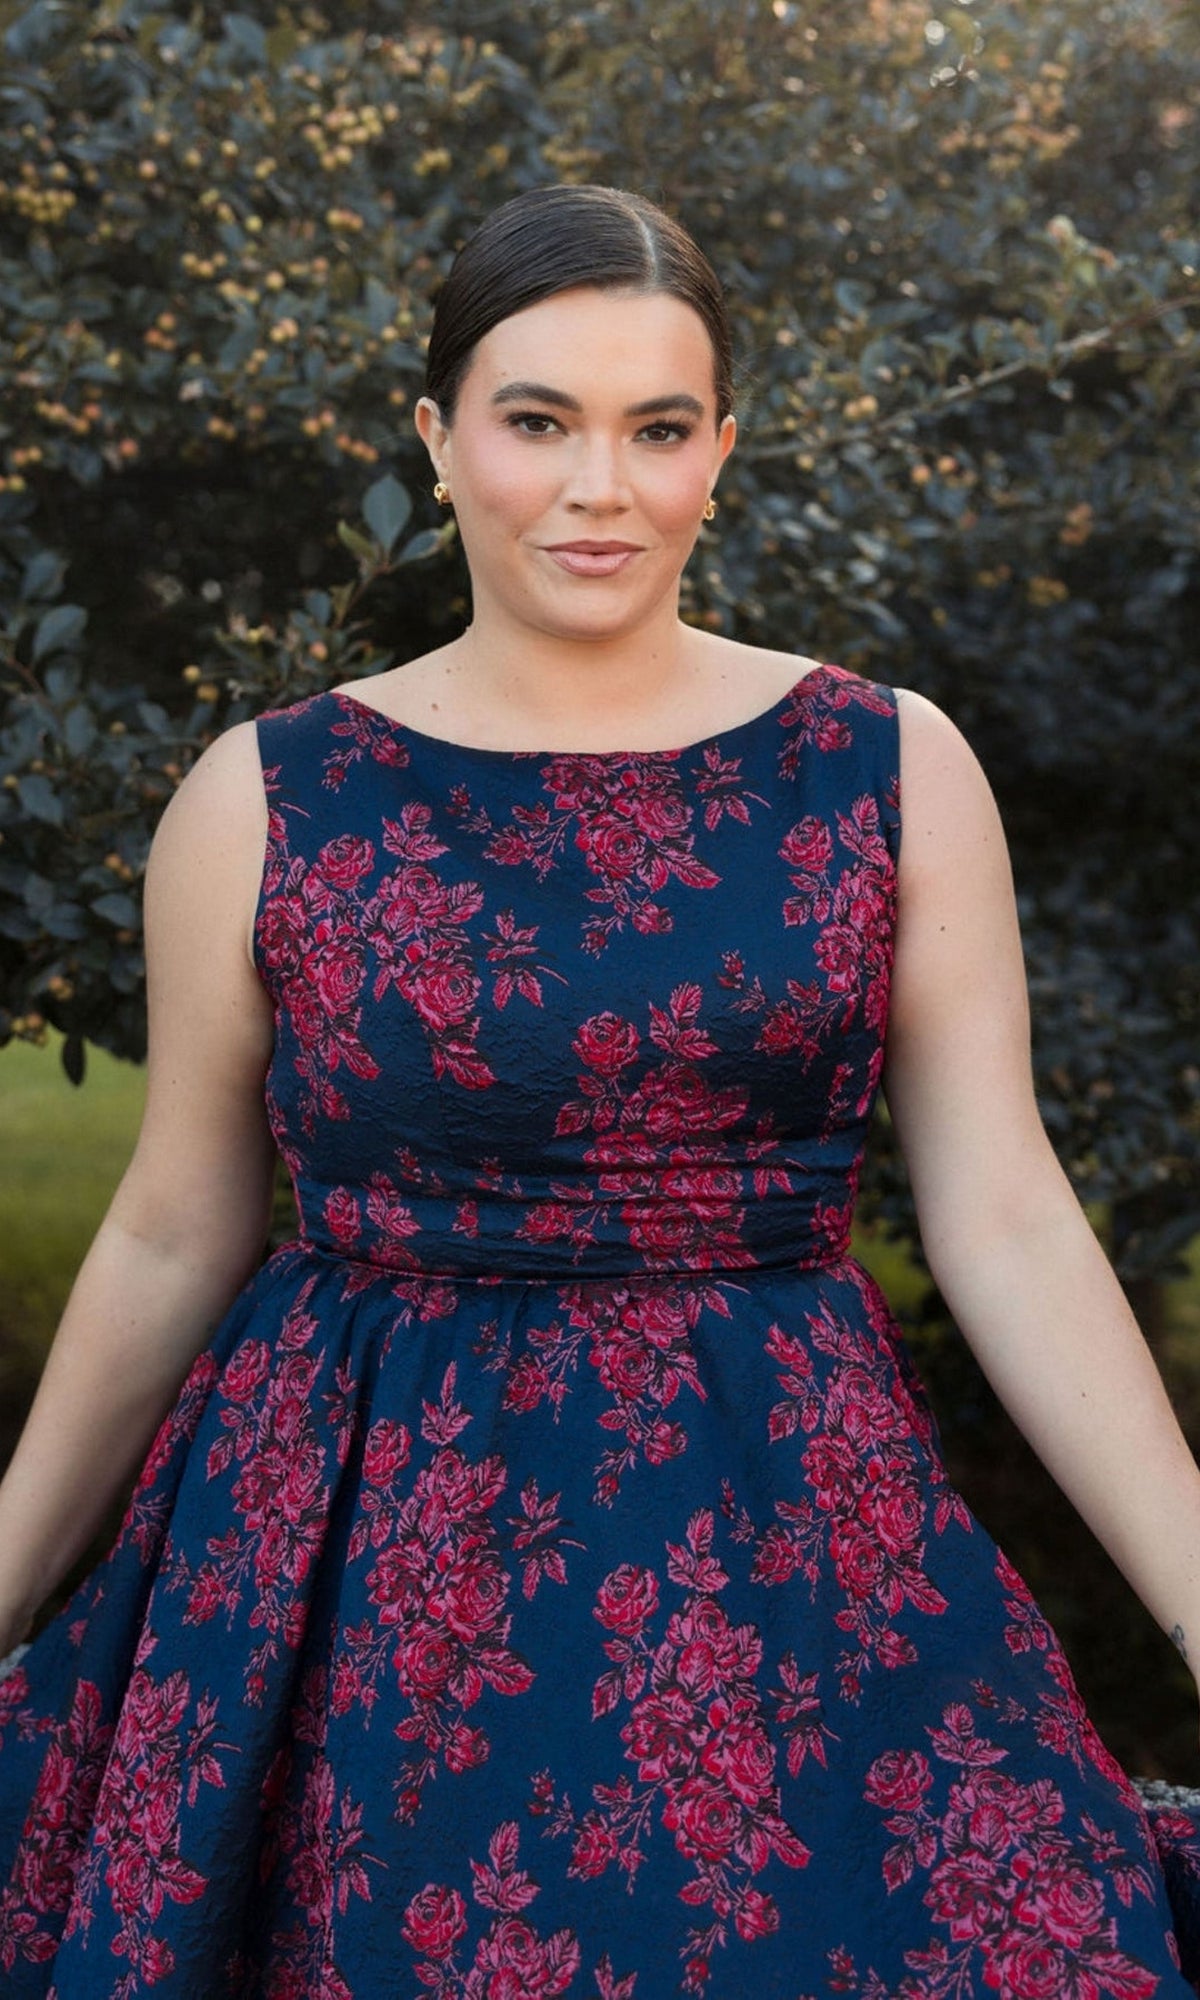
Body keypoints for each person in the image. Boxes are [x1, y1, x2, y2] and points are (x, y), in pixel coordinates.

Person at [0, 181, 1198, 1997]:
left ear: (722, 449)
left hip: (781, 1524)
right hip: (360, 1551)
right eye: (536, 419)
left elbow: (1007, 1211)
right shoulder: (263, 797)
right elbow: (175, 1223)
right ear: (438, 434)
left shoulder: (887, 767)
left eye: (657, 428)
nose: (598, 486)